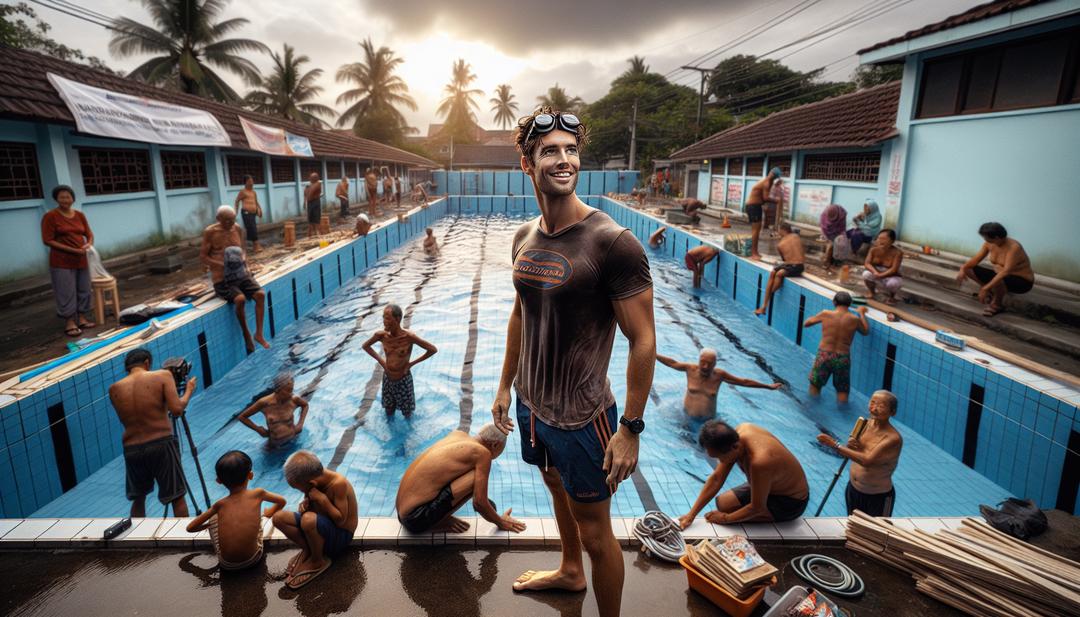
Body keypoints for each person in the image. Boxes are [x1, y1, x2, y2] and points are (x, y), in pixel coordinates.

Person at [492, 107, 655, 617]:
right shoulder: (524, 237)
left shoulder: (613, 243)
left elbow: (643, 340)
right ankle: (569, 570)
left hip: (584, 417)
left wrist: (630, 429)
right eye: (550, 151)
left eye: (571, 150)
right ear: (527, 164)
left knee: (597, 534)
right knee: (553, 483)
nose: (564, 160)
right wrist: (505, 386)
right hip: (532, 405)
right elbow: (521, 313)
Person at [109, 347, 198, 518]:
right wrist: (189, 390)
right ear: (147, 363)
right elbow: (177, 409)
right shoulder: (163, 376)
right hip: (161, 443)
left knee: (138, 499)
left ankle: (137, 533)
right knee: (177, 497)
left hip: (132, 448)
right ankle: (182, 534)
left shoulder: (114, 389)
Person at [396, 424, 526, 534]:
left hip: (403, 513)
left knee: (474, 479)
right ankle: (437, 523)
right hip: (415, 520)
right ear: (495, 445)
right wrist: (500, 522)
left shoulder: (458, 435)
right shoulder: (483, 453)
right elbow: (479, 503)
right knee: (475, 478)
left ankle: (439, 518)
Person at [679, 421, 809, 527]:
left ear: (735, 447)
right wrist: (691, 515)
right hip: (772, 486)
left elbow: (757, 508)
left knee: (730, 512)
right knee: (723, 503)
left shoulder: (759, 462)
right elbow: (717, 478)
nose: (720, 462)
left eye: (720, 457)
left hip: (792, 502)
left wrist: (726, 519)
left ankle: (778, 516)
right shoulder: (739, 433)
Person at [185, 451, 287, 570]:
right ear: (250, 475)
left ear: (219, 481)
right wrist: (270, 512)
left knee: (214, 518)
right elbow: (282, 501)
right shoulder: (258, 494)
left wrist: (210, 525)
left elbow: (190, 528)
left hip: (227, 565)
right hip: (254, 559)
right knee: (255, 519)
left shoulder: (220, 505)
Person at [272, 450, 358, 590]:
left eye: (300, 490)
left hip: (340, 536)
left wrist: (323, 500)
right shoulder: (313, 483)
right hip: (321, 529)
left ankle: (317, 560)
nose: (303, 493)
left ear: (312, 483)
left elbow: (341, 521)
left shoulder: (338, 484)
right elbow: (312, 510)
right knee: (279, 518)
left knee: (308, 520)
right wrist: (305, 506)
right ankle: (309, 550)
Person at [816, 390, 903, 516]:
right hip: (853, 489)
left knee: (874, 529)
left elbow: (866, 461)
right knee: (852, 524)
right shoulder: (864, 424)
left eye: (881, 406)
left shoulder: (892, 438)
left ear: (892, 412)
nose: (874, 408)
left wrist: (834, 444)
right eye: (872, 403)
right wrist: (850, 445)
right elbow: (851, 451)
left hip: (877, 496)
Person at [200, 205, 269, 353]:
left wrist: (243, 262)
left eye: (232, 220)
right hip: (223, 279)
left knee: (260, 294)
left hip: (240, 274)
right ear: (218, 219)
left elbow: (243, 249)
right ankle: (246, 334)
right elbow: (203, 257)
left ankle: (258, 334)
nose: (230, 223)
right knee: (240, 299)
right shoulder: (210, 232)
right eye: (227, 221)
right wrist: (223, 265)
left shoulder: (237, 228)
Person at [361, 304, 438, 418]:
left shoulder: (409, 337)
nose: (384, 322)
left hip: (403, 380)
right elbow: (366, 346)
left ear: (397, 319)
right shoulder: (381, 336)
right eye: (383, 318)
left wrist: (411, 364)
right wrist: (383, 363)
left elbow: (432, 349)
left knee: (407, 413)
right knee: (388, 411)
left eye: (387, 318)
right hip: (388, 380)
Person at [656, 349, 781, 417]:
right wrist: (653, 354)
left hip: (708, 422)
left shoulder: (719, 375)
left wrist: (768, 387)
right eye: (702, 362)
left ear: (715, 364)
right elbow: (672, 363)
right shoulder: (690, 369)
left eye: (709, 364)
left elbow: (744, 382)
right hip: (686, 418)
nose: (705, 366)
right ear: (698, 360)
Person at [41, 185, 96, 337]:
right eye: (62, 197)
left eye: (68, 197)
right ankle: (70, 322)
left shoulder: (79, 215)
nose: (65, 200)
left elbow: (89, 234)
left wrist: (89, 244)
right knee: (66, 291)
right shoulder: (50, 216)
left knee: (84, 289)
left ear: (73, 199)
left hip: (81, 259)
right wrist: (72, 250)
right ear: (56, 199)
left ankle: (82, 318)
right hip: (61, 261)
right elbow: (47, 240)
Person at [955, 222, 1034, 317]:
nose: (985, 240)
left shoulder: (1014, 247)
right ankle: (990, 291)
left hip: (1021, 282)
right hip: (1001, 275)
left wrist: (985, 288)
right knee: (969, 268)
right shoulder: (989, 244)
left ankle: (997, 304)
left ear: (996, 238)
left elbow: (1006, 271)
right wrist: (963, 268)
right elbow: (976, 260)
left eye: (986, 238)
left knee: (999, 278)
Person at [804, 291, 869, 404]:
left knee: (815, 385)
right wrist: (862, 313)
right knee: (842, 390)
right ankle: (842, 410)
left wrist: (816, 317)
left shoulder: (826, 313)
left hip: (824, 355)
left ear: (834, 302)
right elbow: (865, 331)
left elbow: (806, 323)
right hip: (843, 358)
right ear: (849, 304)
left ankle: (810, 408)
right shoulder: (854, 319)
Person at [238, 372, 309, 447]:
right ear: (278, 389)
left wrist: (300, 424)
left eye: (292, 390)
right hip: (275, 445)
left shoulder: (293, 399)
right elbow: (242, 417)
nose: (291, 394)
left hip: (293, 439)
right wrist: (258, 429)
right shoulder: (264, 403)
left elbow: (305, 405)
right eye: (288, 391)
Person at [754, 222, 805, 315]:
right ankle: (765, 302)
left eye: (779, 230)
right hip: (800, 266)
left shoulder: (780, 244)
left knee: (775, 273)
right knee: (777, 273)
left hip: (792, 265)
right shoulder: (796, 236)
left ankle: (766, 299)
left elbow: (785, 260)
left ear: (782, 230)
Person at [744, 167, 783, 259]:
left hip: (755, 206)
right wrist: (776, 200)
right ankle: (754, 253)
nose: (773, 178)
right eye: (774, 176)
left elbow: (762, 197)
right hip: (754, 206)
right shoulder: (767, 182)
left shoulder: (768, 181)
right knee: (756, 230)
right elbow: (765, 198)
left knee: (756, 230)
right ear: (772, 175)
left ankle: (754, 251)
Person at [863, 229, 904, 304]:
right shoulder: (873, 249)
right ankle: (872, 293)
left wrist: (881, 275)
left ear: (892, 241)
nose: (880, 241)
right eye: (879, 238)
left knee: (894, 283)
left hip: (891, 275)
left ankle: (892, 297)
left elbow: (894, 269)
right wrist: (875, 272)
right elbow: (867, 263)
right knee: (866, 274)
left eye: (884, 239)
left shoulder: (898, 253)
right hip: (876, 272)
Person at [234, 176, 263, 253]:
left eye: (252, 181)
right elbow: (237, 201)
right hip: (246, 213)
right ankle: (256, 245)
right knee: (252, 228)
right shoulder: (243, 192)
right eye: (250, 181)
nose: (252, 183)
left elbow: (256, 202)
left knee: (253, 228)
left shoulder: (254, 192)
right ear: (245, 182)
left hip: (253, 213)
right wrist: (236, 211)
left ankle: (254, 246)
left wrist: (260, 209)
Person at [819, 203, 848, 269]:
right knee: (830, 245)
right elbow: (823, 228)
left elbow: (842, 228)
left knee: (841, 243)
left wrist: (840, 237)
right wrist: (826, 237)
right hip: (828, 233)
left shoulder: (842, 214)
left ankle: (837, 261)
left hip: (839, 232)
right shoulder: (824, 215)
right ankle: (827, 261)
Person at [304, 173, 322, 238]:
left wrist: (308, 189)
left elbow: (309, 195)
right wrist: (304, 202)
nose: (309, 179)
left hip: (315, 203)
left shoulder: (318, 184)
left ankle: (318, 233)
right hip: (310, 203)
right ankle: (310, 235)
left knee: (316, 219)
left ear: (315, 178)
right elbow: (306, 195)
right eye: (310, 177)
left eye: (311, 178)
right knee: (310, 219)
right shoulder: (310, 185)